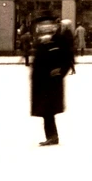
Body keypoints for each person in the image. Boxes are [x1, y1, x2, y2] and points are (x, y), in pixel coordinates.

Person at [30, 16, 72, 146]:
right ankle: (52, 136)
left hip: (50, 82)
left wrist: (60, 72)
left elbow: (68, 58)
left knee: (47, 110)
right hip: (42, 82)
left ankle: (52, 136)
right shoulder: (43, 42)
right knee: (46, 111)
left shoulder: (58, 41)